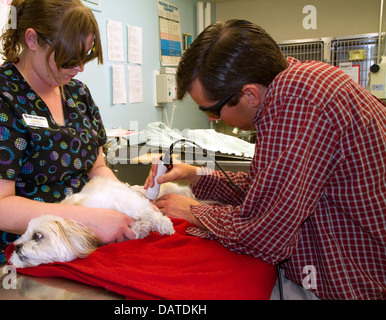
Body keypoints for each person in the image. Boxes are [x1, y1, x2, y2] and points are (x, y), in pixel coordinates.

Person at [145, 19, 386, 300]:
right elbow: (267, 191)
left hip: (354, 283)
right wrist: (196, 174)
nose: (213, 119)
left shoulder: (298, 97)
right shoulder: (296, 83)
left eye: (212, 110)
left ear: (250, 94)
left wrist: (193, 211)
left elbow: (265, 236)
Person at [0, 0, 136, 284]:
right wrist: (87, 219)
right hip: (9, 260)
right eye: (68, 58)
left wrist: (126, 204)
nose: (78, 68)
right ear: (32, 39)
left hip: (75, 249)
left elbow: (97, 169)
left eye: (85, 56)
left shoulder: (77, 94)